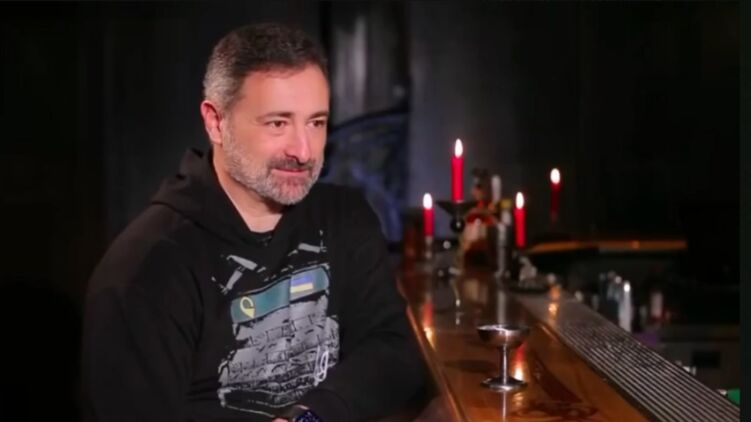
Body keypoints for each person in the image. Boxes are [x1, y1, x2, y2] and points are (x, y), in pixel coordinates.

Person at [82, 22, 426, 422]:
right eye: (278, 123)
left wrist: (308, 418)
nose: (303, 151)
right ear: (216, 122)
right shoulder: (146, 270)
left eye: (316, 122)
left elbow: (394, 349)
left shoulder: (344, 218)